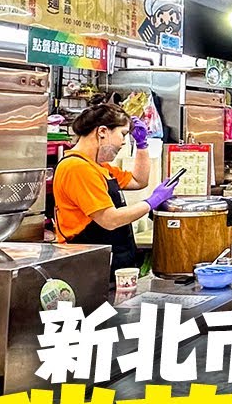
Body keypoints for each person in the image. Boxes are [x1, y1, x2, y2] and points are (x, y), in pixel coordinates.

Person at [53, 97, 177, 274]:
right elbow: (110, 220)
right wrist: (152, 201)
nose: (125, 142)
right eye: (123, 134)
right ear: (102, 131)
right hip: (87, 266)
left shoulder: (99, 167)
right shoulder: (76, 168)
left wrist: (142, 145)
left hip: (109, 262)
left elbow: (139, 181)